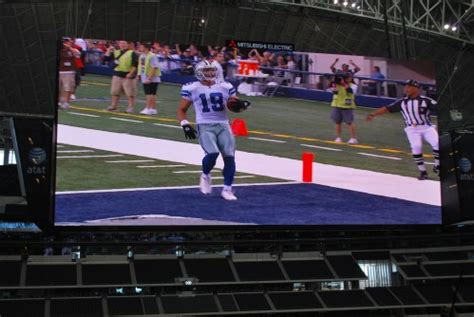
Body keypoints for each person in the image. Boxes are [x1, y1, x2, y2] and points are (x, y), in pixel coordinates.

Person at [177, 61, 241, 201]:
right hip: (204, 125)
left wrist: (238, 105)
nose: (210, 73)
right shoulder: (192, 88)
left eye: (212, 70)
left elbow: (233, 104)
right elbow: (182, 110)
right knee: (212, 153)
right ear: (199, 72)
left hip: (223, 124)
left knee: (229, 156)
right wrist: (185, 124)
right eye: (206, 70)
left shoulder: (226, 86)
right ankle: (205, 175)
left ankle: (227, 189)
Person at [366, 80, 439, 180]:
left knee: (437, 144)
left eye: (409, 87)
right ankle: (423, 171)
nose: (406, 89)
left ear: (416, 88)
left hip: (427, 127)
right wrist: (373, 114)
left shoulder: (426, 100)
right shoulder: (402, 102)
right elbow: (387, 108)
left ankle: (437, 165)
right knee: (416, 147)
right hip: (412, 129)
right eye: (406, 87)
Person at [104, 40, 139, 113]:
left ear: (128, 44)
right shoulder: (116, 52)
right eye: (120, 43)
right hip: (117, 74)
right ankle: (114, 106)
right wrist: (108, 51)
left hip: (127, 75)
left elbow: (135, 65)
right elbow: (106, 59)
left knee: (130, 93)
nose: (122, 44)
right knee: (115, 92)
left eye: (124, 43)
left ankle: (130, 107)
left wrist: (131, 74)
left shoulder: (132, 53)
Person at [330, 72, 358, 144]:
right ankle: (338, 137)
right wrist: (334, 82)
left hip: (347, 106)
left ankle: (353, 138)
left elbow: (350, 91)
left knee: (349, 122)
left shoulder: (353, 86)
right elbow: (335, 92)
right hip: (337, 105)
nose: (348, 79)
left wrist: (343, 84)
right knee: (337, 122)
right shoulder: (337, 85)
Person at [137, 43, 161, 115]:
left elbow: (154, 67)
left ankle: (148, 108)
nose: (140, 48)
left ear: (146, 48)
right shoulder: (142, 56)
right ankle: (153, 109)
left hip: (151, 77)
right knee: (152, 93)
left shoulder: (152, 56)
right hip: (146, 77)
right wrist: (139, 75)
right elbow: (142, 67)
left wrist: (149, 78)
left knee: (149, 93)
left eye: (141, 47)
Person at [58, 37, 80, 109]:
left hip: (69, 72)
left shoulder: (72, 49)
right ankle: (59, 102)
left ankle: (66, 103)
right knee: (59, 88)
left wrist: (69, 48)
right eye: (65, 41)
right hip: (60, 70)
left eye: (68, 41)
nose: (66, 43)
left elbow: (78, 55)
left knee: (68, 88)